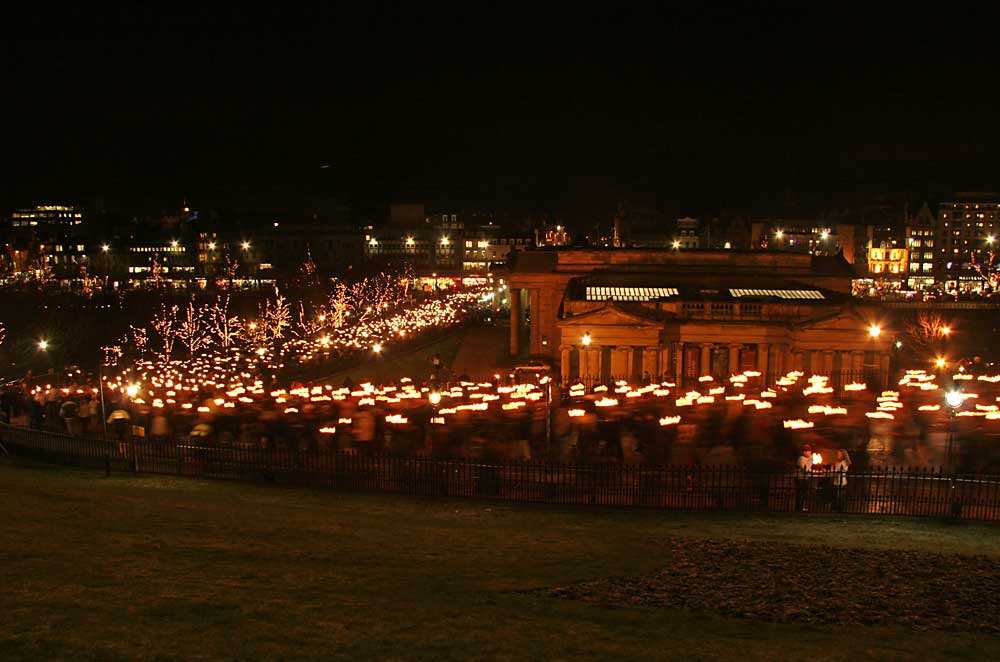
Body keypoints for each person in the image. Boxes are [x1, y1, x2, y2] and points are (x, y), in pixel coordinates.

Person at [795, 444, 813, 512]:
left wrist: (810, 460)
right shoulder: (801, 458)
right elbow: (804, 468)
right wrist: (810, 461)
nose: (809, 453)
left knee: (805, 493)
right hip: (800, 478)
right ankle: (799, 507)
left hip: (806, 478)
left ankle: (803, 506)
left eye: (810, 451)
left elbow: (809, 467)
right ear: (804, 452)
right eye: (808, 451)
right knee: (800, 493)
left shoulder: (809, 458)